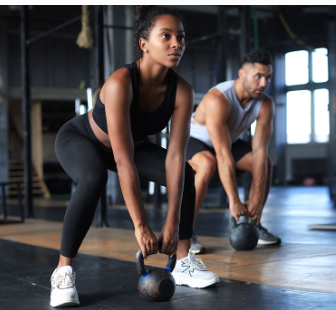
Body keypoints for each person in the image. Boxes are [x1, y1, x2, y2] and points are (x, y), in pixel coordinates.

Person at [51, 6, 219, 307]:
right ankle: (63, 271)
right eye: (165, 36)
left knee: (187, 172)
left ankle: (183, 261)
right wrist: (141, 226)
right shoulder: (120, 83)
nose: (176, 44)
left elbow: (174, 157)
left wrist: (172, 222)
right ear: (144, 44)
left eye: (180, 37)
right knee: (93, 177)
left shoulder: (181, 91)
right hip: (82, 139)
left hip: (133, 146)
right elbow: (123, 159)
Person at [187, 49, 281, 254]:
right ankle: (184, 233)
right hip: (195, 140)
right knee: (207, 163)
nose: (264, 83)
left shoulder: (265, 104)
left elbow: (260, 149)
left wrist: (256, 197)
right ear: (242, 74)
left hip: (229, 142)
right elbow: (222, 154)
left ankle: (254, 224)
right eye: (258, 77)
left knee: (265, 161)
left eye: (268, 78)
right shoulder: (218, 99)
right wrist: (234, 200)